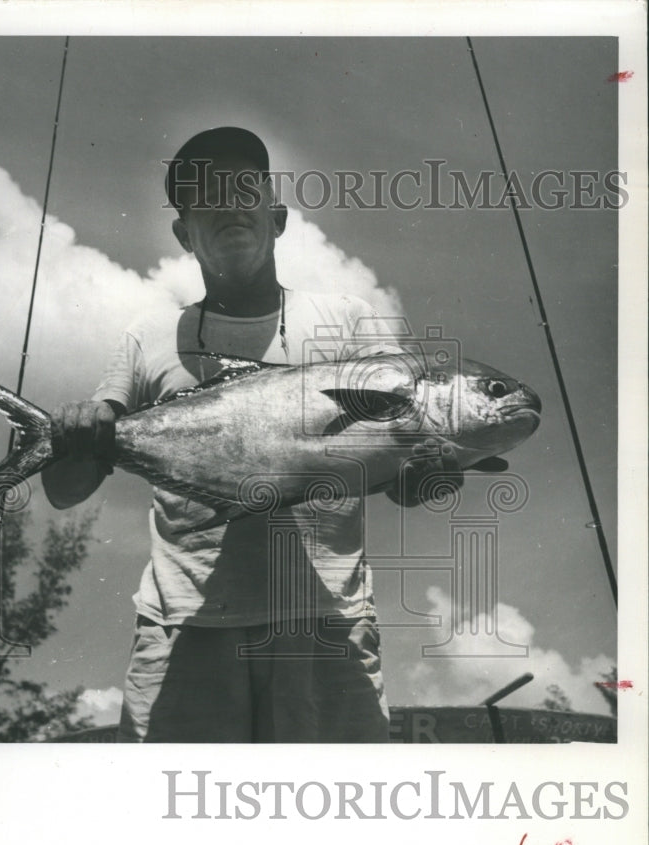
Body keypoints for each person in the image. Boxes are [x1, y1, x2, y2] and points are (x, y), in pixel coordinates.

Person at [42, 126, 459, 743]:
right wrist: (71, 434)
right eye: (203, 196)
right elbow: (64, 489)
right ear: (185, 233)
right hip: (182, 626)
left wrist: (431, 471)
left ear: (278, 215)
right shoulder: (146, 339)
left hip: (325, 625)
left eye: (244, 186)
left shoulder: (351, 320)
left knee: (332, 826)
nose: (227, 203)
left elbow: (397, 472)